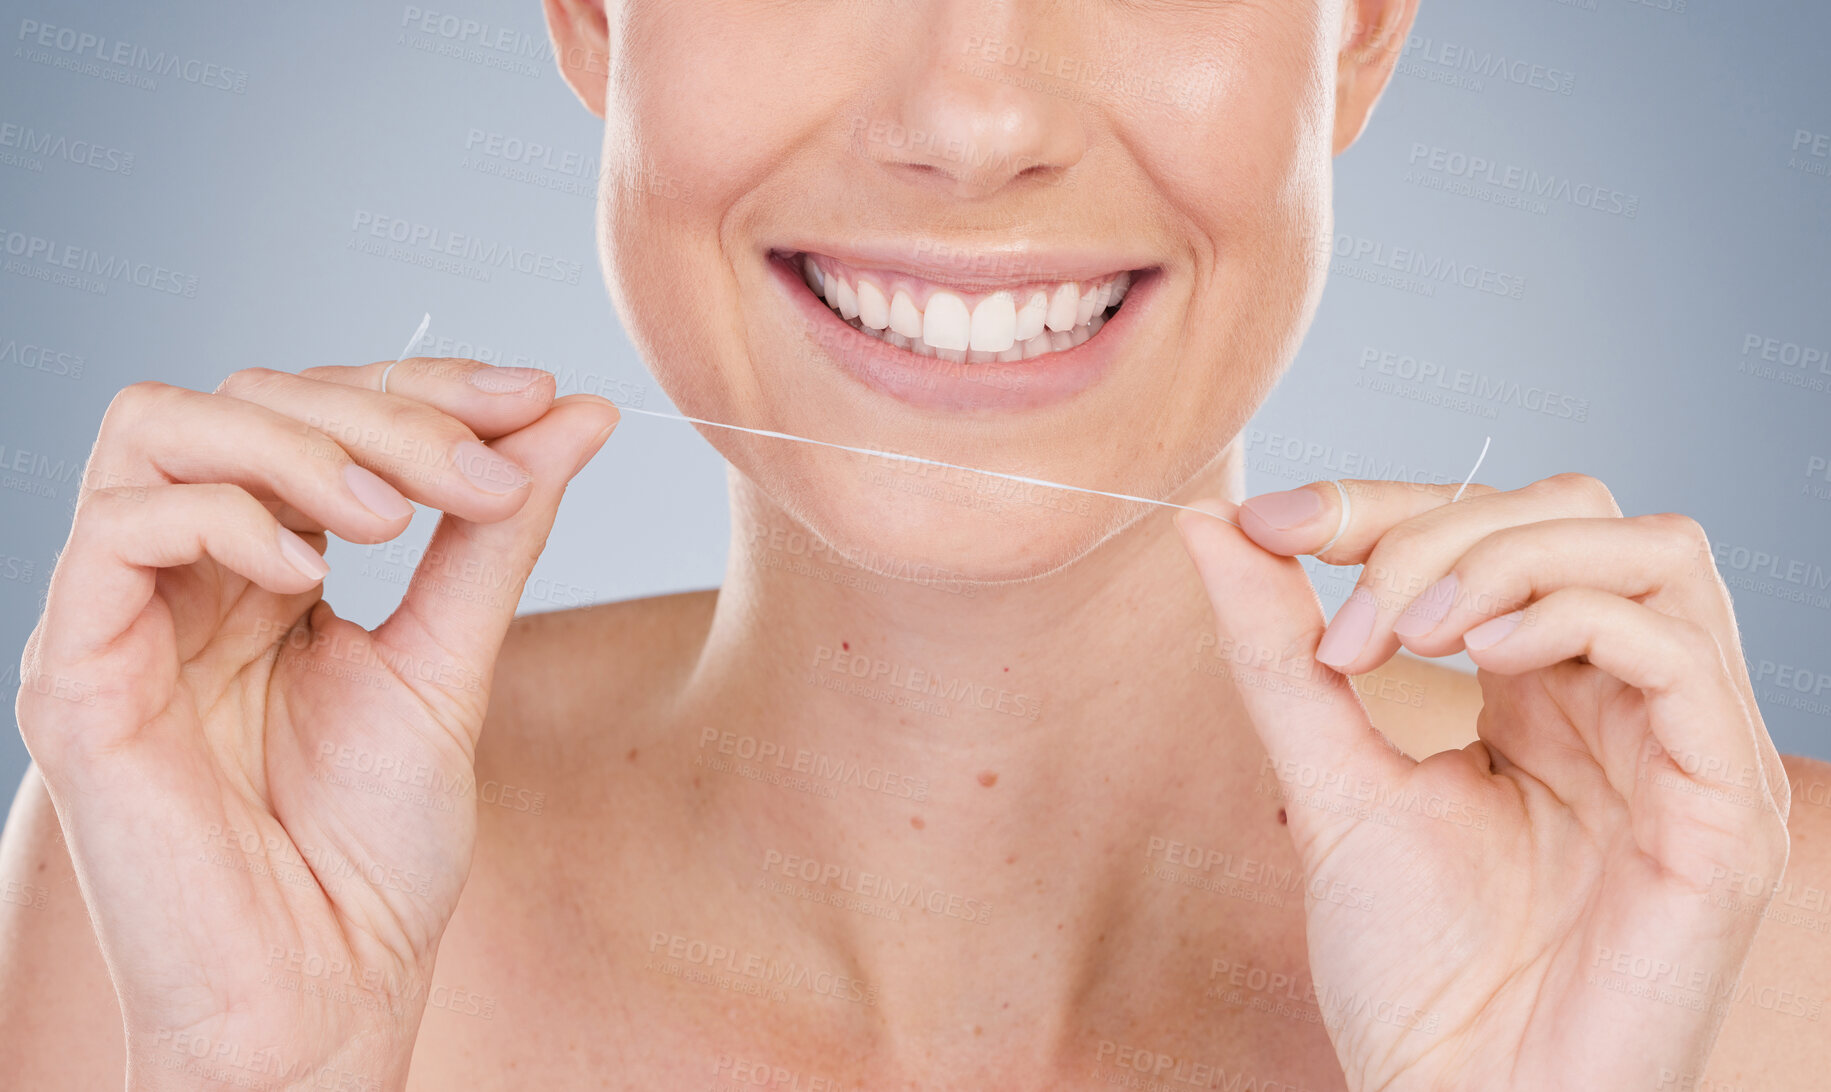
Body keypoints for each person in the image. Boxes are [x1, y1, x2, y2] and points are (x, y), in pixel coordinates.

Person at [4, 1, 1827, 1088]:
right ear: (588, 14)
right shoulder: (211, 869)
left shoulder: (1759, 936)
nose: (974, 119)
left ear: (1356, 32)